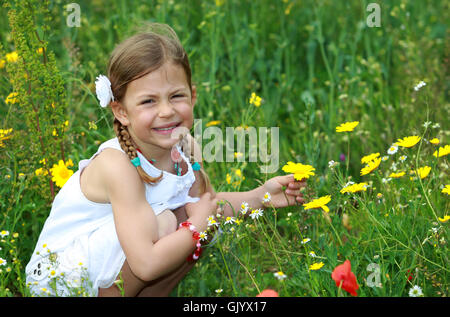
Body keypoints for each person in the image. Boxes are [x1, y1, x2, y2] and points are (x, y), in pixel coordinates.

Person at [25, 23, 306, 297]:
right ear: (122, 112)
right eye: (149, 101)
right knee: (173, 224)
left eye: (176, 96)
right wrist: (196, 226)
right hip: (62, 280)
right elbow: (146, 265)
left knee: (199, 218)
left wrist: (261, 196)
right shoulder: (117, 165)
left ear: (193, 96)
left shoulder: (186, 148)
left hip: (118, 264)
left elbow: (205, 207)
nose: (166, 111)